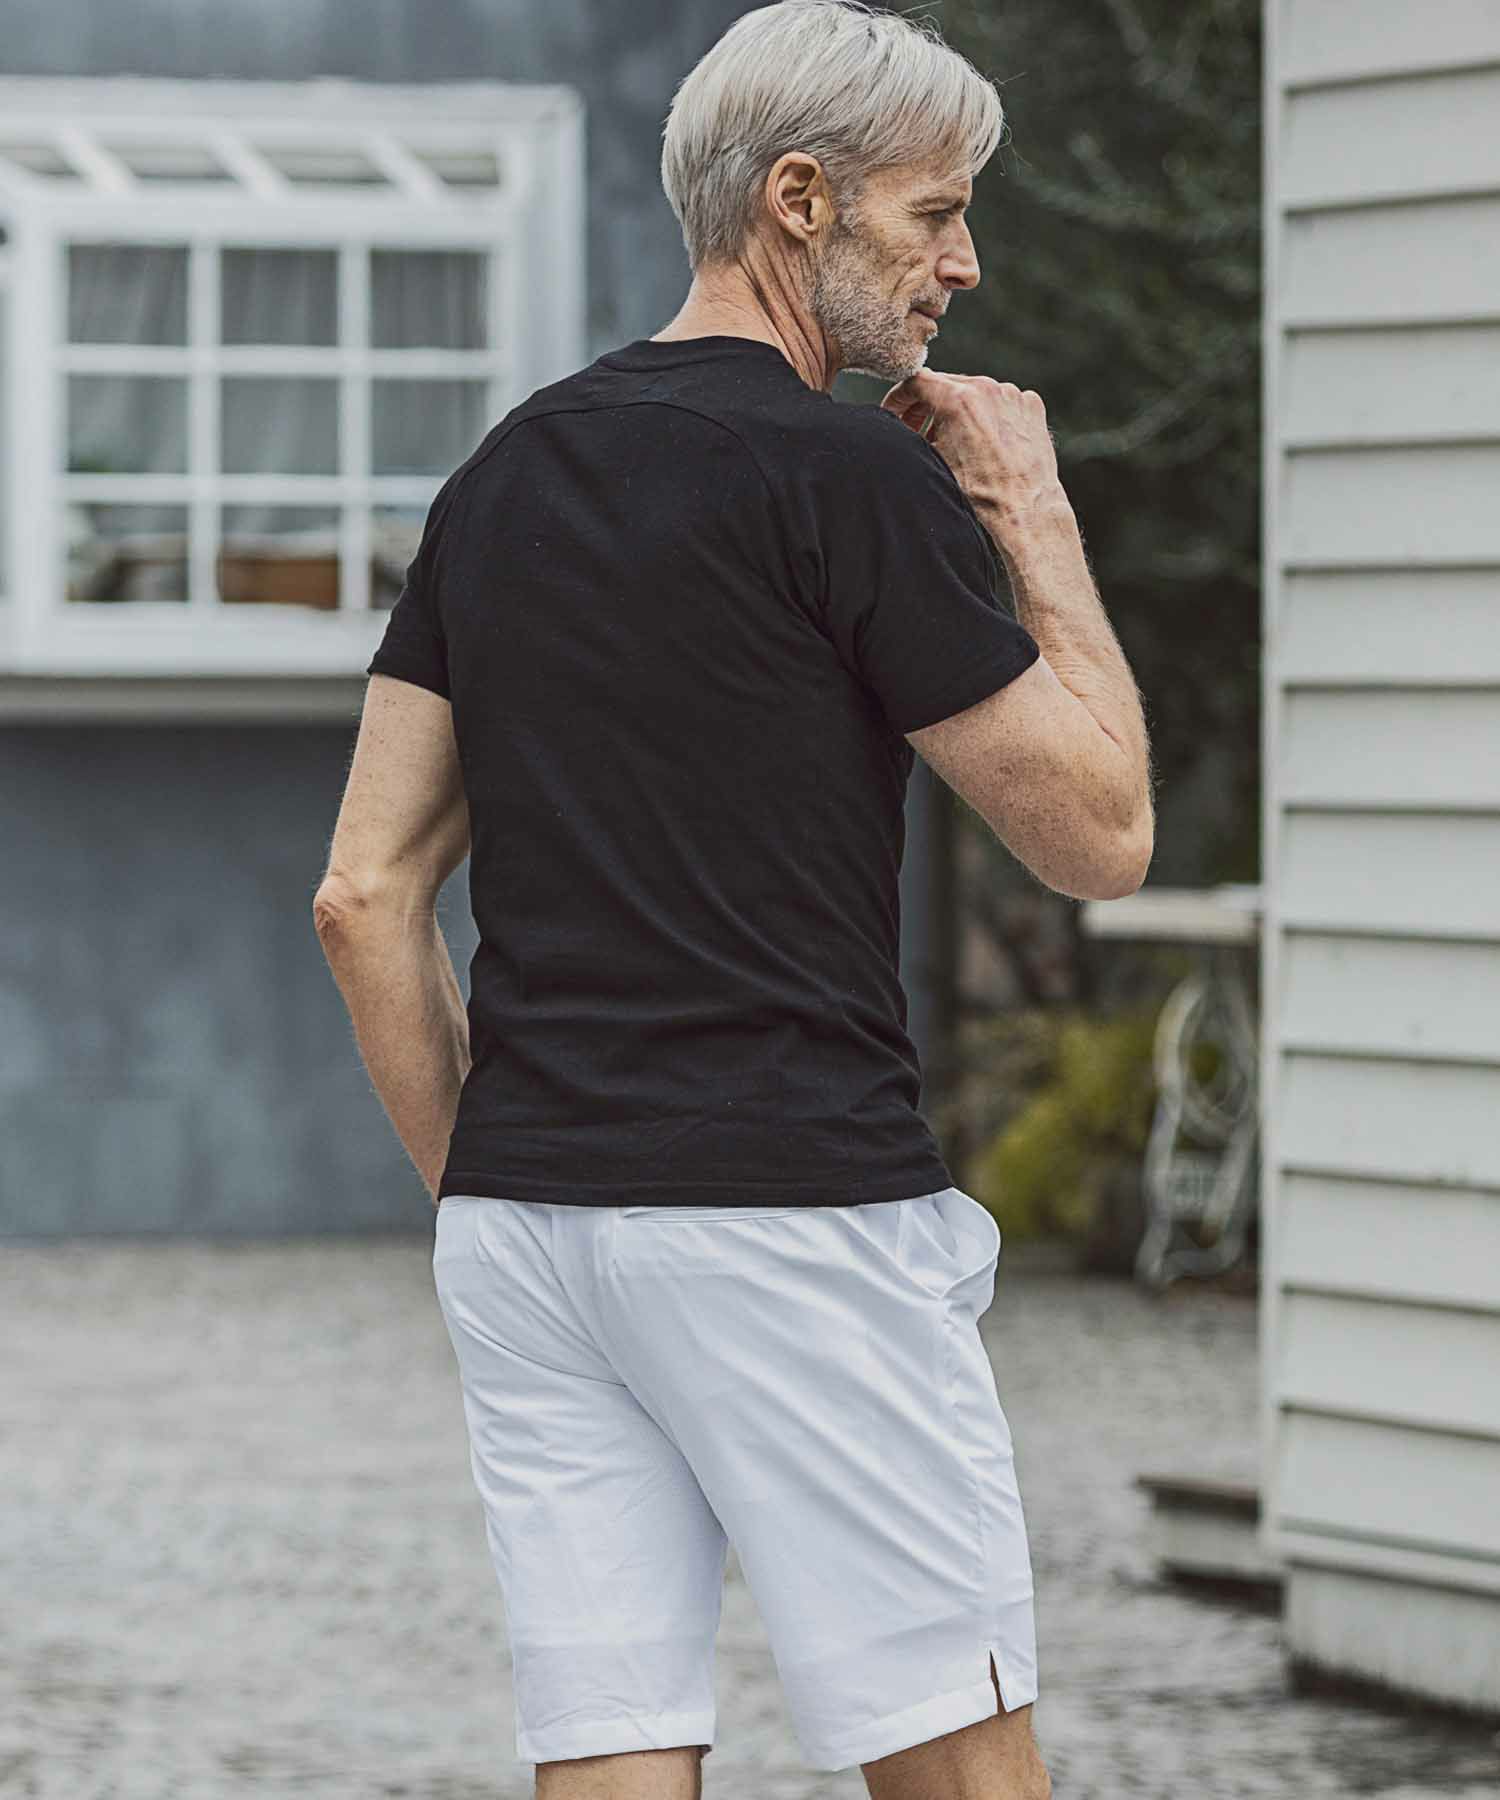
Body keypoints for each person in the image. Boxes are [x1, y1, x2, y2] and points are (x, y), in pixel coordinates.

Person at [314, 2, 1153, 1793]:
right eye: (937, 214)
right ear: (799, 198)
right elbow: (1099, 834)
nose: (964, 263)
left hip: (531, 1235)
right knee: (960, 1765)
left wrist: (502, 1178)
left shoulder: (504, 473)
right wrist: (1030, 513)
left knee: (612, 1753)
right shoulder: (852, 475)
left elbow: (364, 895)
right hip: (789, 1213)